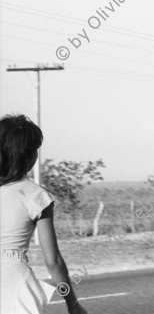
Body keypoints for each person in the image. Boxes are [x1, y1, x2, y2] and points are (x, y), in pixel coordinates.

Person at [0, 114, 87, 314]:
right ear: (28, 156)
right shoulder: (35, 196)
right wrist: (72, 304)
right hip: (14, 287)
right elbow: (53, 262)